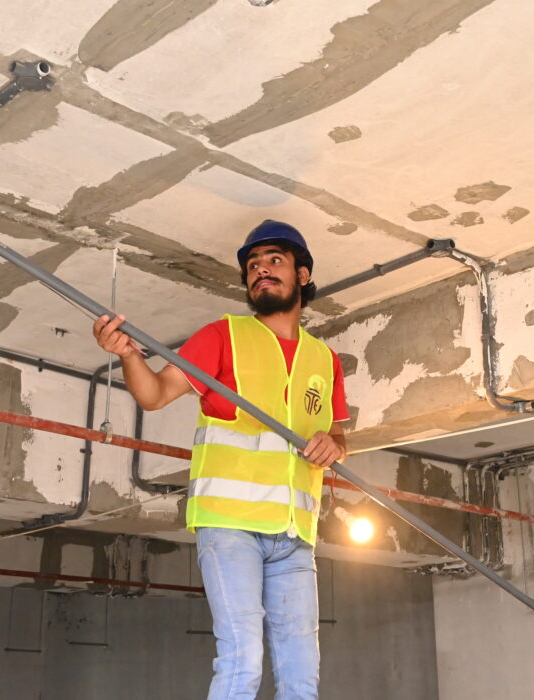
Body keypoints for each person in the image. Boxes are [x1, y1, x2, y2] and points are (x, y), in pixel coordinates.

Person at [93, 220, 348, 699]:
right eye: (253, 265)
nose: (260, 270)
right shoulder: (222, 336)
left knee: (302, 676)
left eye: (274, 260)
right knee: (241, 661)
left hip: (295, 534)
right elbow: (154, 394)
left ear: (303, 275)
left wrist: (335, 446)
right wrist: (128, 356)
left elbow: (335, 434)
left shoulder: (324, 359)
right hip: (231, 526)